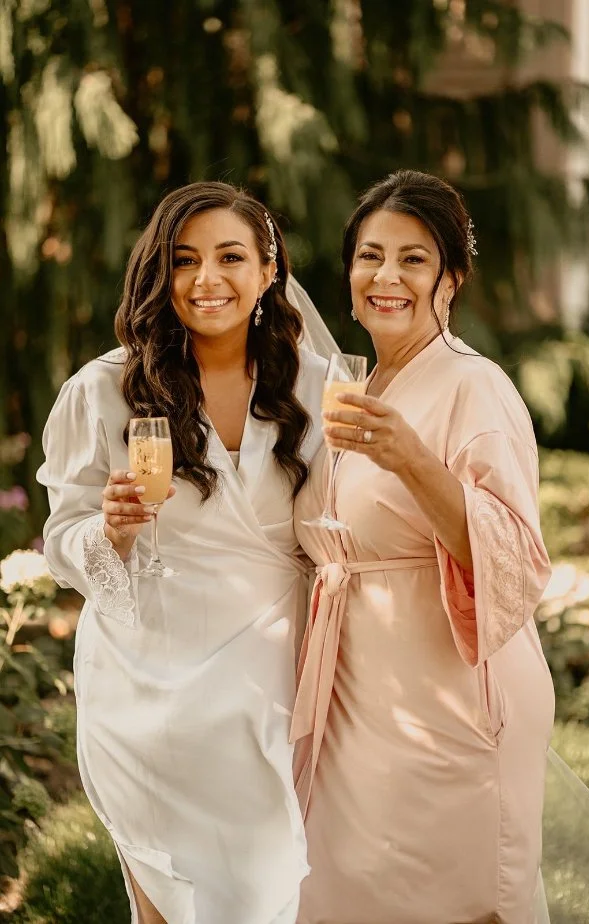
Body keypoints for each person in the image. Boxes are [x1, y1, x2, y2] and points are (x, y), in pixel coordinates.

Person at [37, 181, 328, 924]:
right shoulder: (104, 390)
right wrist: (112, 531)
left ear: (268, 271)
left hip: (272, 688)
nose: (207, 279)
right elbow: (64, 537)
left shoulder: (319, 386)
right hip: (150, 689)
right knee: (171, 901)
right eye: (185, 260)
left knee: (267, 893)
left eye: (231, 257)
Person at [291, 169, 556, 924]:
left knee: (444, 898)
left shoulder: (476, 385)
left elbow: (515, 559)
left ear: (451, 278)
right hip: (354, 693)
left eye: (414, 259)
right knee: (339, 893)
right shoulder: (357, 385)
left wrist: (411, 458)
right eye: (370, 256)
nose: (387, 277)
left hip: (447, 696)